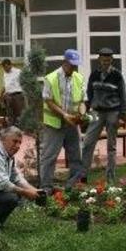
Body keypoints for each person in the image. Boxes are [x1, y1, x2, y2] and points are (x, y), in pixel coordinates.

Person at [40, 49, 85, 192]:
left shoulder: (79, 78)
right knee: (49, 157)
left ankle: (74, 186)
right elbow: (48, 101)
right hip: (55, 125)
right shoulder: (50, 78)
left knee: (76, 156)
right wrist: (64, 115)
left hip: (72, 124)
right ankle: (46, 188)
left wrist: (82, 114)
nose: (74, 68)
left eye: (76, 65)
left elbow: (82, 101)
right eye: (72, 65)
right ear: (64, 62)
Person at [81, 48, 126, 184]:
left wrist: (122, 116)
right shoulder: (94, 75)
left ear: (111, 60)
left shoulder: (117, 75)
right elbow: (89, 93)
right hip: (96, 112)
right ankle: (83, 176)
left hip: (112, 112)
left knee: (111, 147)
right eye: (103, 59)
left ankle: (110, 178)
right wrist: (87, 110)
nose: (106, 62)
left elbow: (123, 97)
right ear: (99, 60)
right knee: (87, 143)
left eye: (108, 59)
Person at [0, 58, 25, 126]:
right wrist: (0, 95)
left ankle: (20, 129)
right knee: (10, 114)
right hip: (8, 96)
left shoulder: (18, 72)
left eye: (6, 67)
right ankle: (11, 129)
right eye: (4, 68)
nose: (5, 69)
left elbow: (24, 83)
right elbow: (5, 85)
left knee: (19, 114)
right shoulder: (5, 74)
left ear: (10, 65)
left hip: (17, 95)